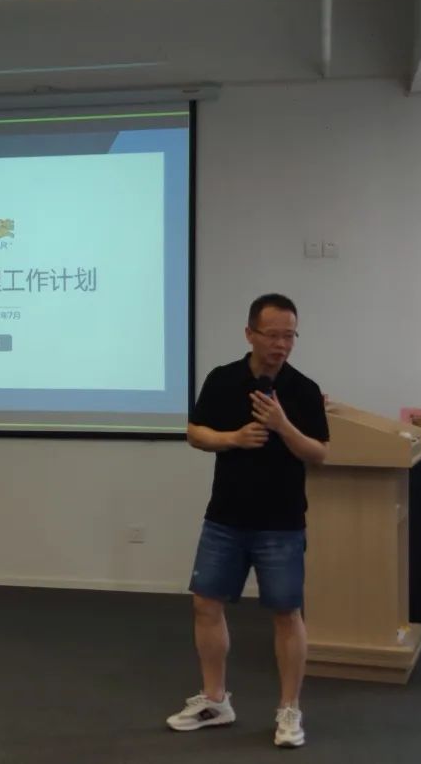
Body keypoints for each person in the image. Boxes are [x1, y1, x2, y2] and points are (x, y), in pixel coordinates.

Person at [167, 293, 329, 749]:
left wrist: (282, 425)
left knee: (286, 613)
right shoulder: (223, 379)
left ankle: (289, 710)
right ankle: (215, 700)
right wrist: (233, 438)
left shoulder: (303, 389)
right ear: (249, 334)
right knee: (206, 604)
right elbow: (195, 433)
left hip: (282, 522)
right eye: (273, 335)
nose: (281, 345)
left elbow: (319, 453)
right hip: (225, 517)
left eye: (289, 336)